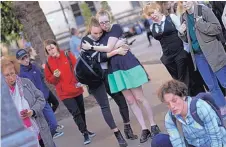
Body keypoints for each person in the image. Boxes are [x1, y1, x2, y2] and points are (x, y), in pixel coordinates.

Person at [82, 10, 160, 143]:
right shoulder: (100, 35)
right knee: (130, 101)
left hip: (127, 65)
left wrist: (94, 47)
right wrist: (117, 46)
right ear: (98, 23)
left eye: (107, 21)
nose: (105, 25)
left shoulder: (115, 28)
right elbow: (106, 52)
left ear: (110, 19)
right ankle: (144, 128)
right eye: (102, 23)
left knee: (139, 98)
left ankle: (153, 125)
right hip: (114, 70)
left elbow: (108, 48)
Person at [77, 17, 138, 147]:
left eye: (100, 33)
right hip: (94, 78)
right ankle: (118, 135)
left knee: (122, 100)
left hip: (108, 74)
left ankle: (127, 128)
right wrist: (115, 50)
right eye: (95, 33)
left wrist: (118, 44)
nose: (98, 36)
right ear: (90, 30)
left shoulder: (105, 35)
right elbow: (99, 57)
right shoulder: (85, 41)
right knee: (105, 106)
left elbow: (114, 44)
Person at [178, 1, 226, 116]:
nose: (185, 3)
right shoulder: (183, 17)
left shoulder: (202, 10)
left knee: (224, 81)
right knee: (211, 85)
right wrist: (181, 33)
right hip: (198, 56)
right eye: (182, 1)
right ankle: (222, 107)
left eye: (186, 0)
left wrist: (200, 24)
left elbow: (217, 28)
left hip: (213, 52)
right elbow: (187, 40)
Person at [44, 39, 95, 145]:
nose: (51, 51)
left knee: (81, 111)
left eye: (52, 48)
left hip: (76, 88)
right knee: (75, 113)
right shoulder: (48, 63)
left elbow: (77, 68)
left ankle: (85, 129)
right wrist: (54, 76)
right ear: (47, 52)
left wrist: (80, 81)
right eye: (49, 50)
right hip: (64, 93)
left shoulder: (67, 54)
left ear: (56, 47)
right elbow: (49, 80)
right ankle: (84, 133)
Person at [151, 80, 226, 147]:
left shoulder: (200, 107)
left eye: (174, 100)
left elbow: (216, 137)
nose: (172, 106)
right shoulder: (170, 117)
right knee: (158, 140)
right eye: (167, 104)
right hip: (193, 144)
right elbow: (177, 141)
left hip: (216, 143)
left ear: (183, 96)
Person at [1, 56, 55, 147]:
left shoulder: (26, 83)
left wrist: (32, 111)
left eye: (12, 73)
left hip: (39, 130)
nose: (11, 77)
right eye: (7, 75)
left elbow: (41, 99)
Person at [16, 49, 64, 139]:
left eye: (26, 56)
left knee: (53, 124)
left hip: (44, 100)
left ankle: (47, 140)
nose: (26, 60)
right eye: (23, 59)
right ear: (19, 61)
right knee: (40, 130)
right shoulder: (20, 75)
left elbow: (42, 78)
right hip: (33, 105)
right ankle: (45, 142)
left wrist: (46, 93)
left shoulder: (34, 66)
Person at [143, 3, 190, 92]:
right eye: (149, 14)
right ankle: (182, 99)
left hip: (180, 52)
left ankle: (186, 99)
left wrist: (185, 49)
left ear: (158, 9)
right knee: (176, 80)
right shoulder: (152, 26)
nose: (152, 16)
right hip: (167, 58)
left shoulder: (171, 18)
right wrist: (162, 56)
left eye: (153, 12)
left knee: (183, 79)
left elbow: (183, 31)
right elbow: (161, 42)